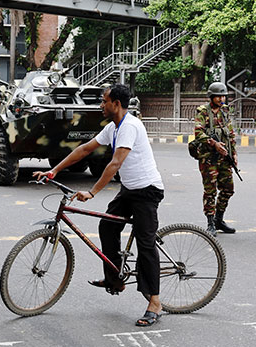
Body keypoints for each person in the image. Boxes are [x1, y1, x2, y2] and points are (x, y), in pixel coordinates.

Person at [32, 84, 165, 327]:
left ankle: (154, 301)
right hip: (129, 190)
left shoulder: (130, 126)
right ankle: (115, 280)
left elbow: (115, 164)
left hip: (146, 191)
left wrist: (92, 192)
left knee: (146, 244)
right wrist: (54, 170)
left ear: (116, 103)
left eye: (104, 101)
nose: (101, 105)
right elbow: (84, 149)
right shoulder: (113, 128)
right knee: (107, 226)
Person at [193, 82, 237, 236]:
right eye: (219, 96)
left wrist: (234, 155)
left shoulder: (225, 111)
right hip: (209, 158)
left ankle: (219, 219)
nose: (222, 98)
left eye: (223, 95)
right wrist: (214, 144)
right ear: (212, 97)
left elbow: (230, 134)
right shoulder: (203, 112)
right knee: (210, 191)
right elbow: (198, 133)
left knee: (228, 189)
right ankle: (210, 222)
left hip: (225, 158)